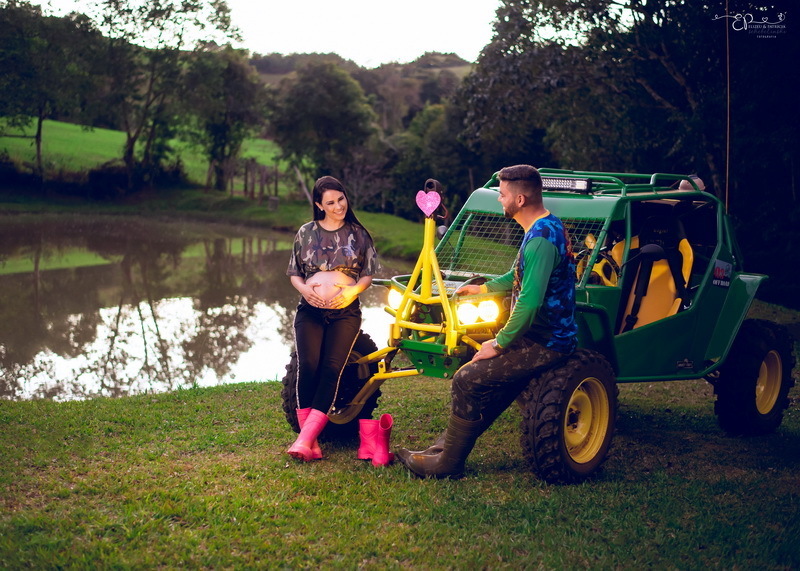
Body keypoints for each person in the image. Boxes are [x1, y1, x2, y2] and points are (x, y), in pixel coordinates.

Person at [397, 164, 578, 478]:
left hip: (548, 342)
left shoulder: (540, 238)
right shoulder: (545, 225)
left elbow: (530, 302)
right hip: (539, 336)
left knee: (467, 379)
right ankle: (441, 452)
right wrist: (483, 288)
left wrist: (499, 343)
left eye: (503, 194)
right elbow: (519, 275)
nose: (499, 199)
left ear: (520, 200)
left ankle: (447, 464)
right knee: (483, 381)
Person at [286, 175, 379, 462]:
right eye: (330, 203)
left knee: (331, 369)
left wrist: (352, 291)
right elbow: (294, 273)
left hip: (345, 313)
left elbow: (367, 276)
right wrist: (305, 290)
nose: (338, 206)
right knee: (308, 366)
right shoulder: (305, 233)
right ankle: (310, 441)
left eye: (341, 199)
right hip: (310, 309)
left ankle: (305, 440)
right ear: (319, 205)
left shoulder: (359, 234)